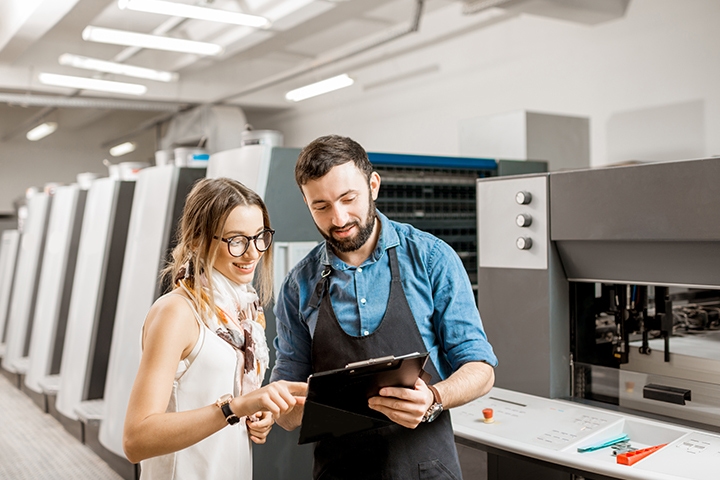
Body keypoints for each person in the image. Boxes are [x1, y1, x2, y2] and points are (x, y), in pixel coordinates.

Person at [271, 135, 498, 479]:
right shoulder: (297, 285)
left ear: (373, 185)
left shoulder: (432, 259)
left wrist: (434, 397)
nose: (339, 217)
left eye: (349, 198)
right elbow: (286, 415)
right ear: (306, 203)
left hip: (426, 469)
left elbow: (481, 370)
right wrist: (286, 404)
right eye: (321, 206)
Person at [123, 178, 307, 479]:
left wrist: (258, 412)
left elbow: (226, 407)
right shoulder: (177, 313)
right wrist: (235, 408)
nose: (252, 254)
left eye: (260, 237)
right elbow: (136, 439)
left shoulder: (242, 313)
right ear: (197, 240)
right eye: (237, 240)